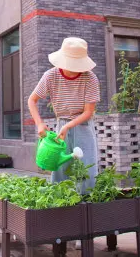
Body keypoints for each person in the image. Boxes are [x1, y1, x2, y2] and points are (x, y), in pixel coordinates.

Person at [28, 37, 100, 192]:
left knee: (87, 170)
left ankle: (86, 206)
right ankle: (60, 208)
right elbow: (32, 100)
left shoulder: (90, 78)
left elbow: (88, 112)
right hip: (61, 125)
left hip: (83, 126)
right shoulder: (51, 75)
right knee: (60, 169)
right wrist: (39, 124)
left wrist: (68, 126)